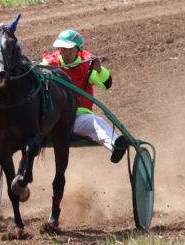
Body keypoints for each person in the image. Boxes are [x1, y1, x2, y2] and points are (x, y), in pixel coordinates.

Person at [42, 28, 131, 162]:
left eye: (69, 50)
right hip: (53, 120)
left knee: (96, 121)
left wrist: (99, 69)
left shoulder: (88, 65)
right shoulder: (49, 64)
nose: (66, 53)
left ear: (79, 50)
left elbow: (107, 84)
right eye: (62, 49)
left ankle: (115, 146)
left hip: (78, 118)